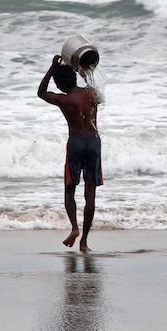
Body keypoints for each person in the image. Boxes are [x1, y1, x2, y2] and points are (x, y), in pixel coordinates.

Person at [37, 54, 102, 252]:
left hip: (75, 143)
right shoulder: (91, 93)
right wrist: (81, 69)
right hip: (93, 142)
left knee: (69, 189)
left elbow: (41, 92)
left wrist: (51, 69)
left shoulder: (64, 100)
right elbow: (94, 83)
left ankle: (74, 228)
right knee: (90, 194)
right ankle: (84, 242)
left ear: (59, 83)